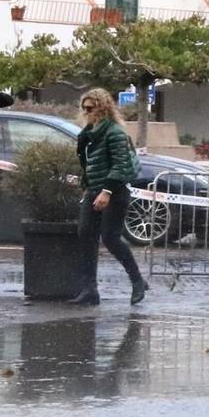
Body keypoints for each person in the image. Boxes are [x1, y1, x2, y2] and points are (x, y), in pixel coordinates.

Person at [72, 88, 148, 307]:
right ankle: (89, 290)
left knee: (111, 238)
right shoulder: (90, 132)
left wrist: (107, 191)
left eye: (90, 108)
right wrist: (89, 186)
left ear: (102, 108)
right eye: (84, 108)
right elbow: (90, 164)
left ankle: (137, 280)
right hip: (94, 190)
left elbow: (121, 164)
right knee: (85, 234)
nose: (86, 112)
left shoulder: (113, 132)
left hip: (114, 191)